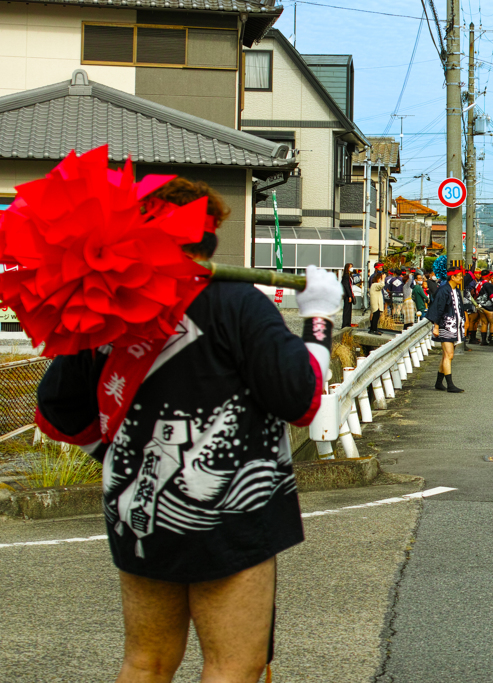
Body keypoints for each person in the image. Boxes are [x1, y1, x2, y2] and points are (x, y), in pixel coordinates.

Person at [35, 177, 341, 683]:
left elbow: (58, 410)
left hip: (139, 505)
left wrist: (117, 458)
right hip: (228, 508)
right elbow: (300, 398)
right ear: (207, 236)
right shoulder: (237, 303)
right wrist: (319, 318)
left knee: (146, 660)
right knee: (232, 666)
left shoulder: (103, 305)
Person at [426, 263, 466, 393]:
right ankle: (450, 384)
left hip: (455, 326)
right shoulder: (443, 290)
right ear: (452, 277)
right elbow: (438, 309)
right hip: (446, 325)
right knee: (449, 355)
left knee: (446, 355)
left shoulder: (456, 290)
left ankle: (438, 382)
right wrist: (436, 326)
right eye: (459, 276)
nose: (461, 278)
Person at [474, 270, 493, 346]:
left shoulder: (479, 284)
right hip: (488, 306)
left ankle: (483, 341)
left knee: (484, 323)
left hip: (480, 305)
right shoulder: (488, 285)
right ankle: (492, 340)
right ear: (488, 276)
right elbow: (492, 295)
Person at [368, 271, 386, 335]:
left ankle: (373, 329)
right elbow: (382, 285)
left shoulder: (374, 285)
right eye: (380, 278)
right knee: (375, 316)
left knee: (376, 316)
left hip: (376, 303)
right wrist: (383, 278)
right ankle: (374, 329)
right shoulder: (375, 285)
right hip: (376, 303)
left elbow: (381, 285)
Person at [341, 263, 355, 328]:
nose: (351, 268)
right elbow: (346, 286)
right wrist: (349, 296)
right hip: (347, 295)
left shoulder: (349, 275)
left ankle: (348, 323)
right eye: (350, 267)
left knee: (349, 309)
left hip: (349, 294)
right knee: (347, 309)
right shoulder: (346, 276)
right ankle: (345, 324)